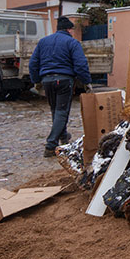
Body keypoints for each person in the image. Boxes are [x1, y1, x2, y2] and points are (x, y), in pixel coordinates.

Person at [29, 16, 92, 158]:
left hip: (47, 81)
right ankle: (51, 145)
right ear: (69, 29)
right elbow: (81, 64)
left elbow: (33, 63)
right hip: (64, 80)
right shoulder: (72, 43)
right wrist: (86, 82)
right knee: (61, 111)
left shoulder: (43, 42)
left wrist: (36, 80)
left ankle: (64, 136)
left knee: (55, 111)